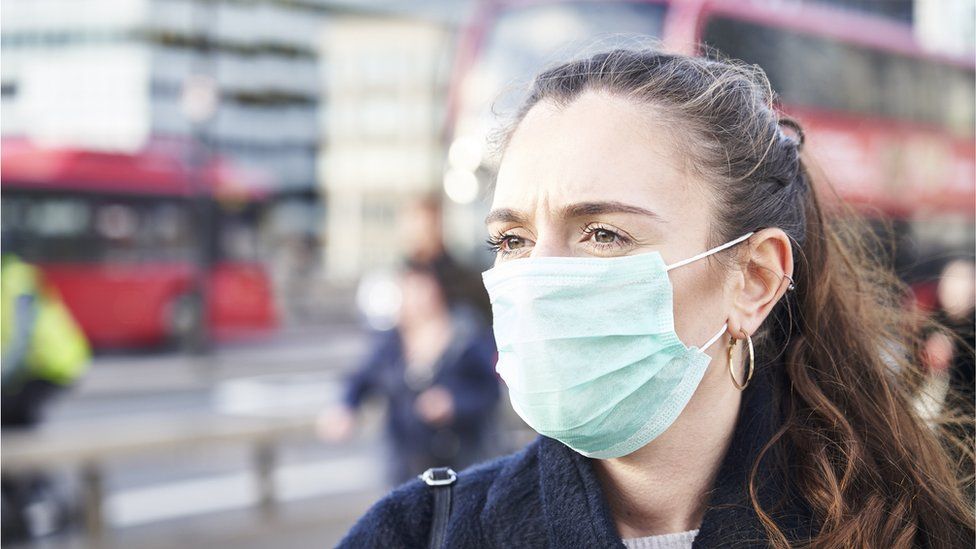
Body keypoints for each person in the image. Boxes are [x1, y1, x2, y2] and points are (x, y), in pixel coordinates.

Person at [338, 49, 974, 548]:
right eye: (512, 239)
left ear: (753, 280)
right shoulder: (419, 531)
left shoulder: (909, 532)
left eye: (604, 234)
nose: (539, 281)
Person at [318, 261, 499, 484]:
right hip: (405, 464)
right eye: (408, 290)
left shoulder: (465, 336)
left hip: (462, 460)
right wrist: (346, 406)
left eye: (421, 289)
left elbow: (489, 390)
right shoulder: (391, 342)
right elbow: (362, 378)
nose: (415, 298)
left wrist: (453, 403)